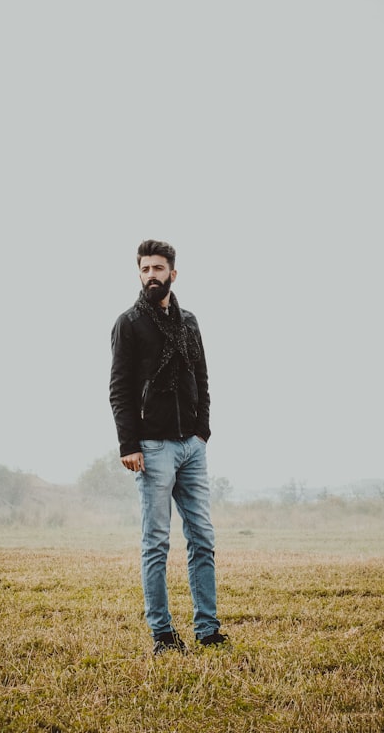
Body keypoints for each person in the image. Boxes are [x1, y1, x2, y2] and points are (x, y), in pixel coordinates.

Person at [109, 239, 228, 655]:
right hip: (152, 447)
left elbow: (203, 378)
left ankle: (208, 631)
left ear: (173, 274)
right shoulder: (129, 324)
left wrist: (202, 432)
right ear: (139, 274)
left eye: (158, 269)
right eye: (145, 269)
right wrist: (129, 443)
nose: (151, 276)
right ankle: (162, 635)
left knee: (202, 538)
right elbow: (119, 389)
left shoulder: (189, 323)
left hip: (191, 447)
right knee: (156, 542)